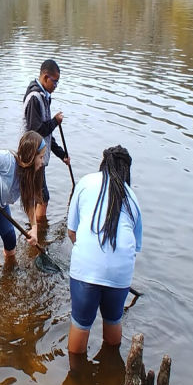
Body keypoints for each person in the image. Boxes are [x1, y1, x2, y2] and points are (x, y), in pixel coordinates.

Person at [66, 145, 142, 353]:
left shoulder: (86, 182)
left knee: (81, 325)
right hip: (120, 274)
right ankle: (111, 366)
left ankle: (76, 378)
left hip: (86, 269)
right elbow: (134, 247)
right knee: (113, 320)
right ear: (127, 171)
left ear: (103, 164)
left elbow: (72, 232)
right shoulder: (132, 198)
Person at [0, 131, 45, 269]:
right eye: (41, 157)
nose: (43, 161)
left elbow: (29, 203)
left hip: (0, 204)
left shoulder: (31, 176)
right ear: (31, 156)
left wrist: (34, 229)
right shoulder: (9, 161)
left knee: (10, 240)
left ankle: (10, 270)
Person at [22, 59, 70, 221]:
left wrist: (61, 154)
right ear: (45, 78)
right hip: (33, 158)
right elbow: (36, 131)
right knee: (43, 199)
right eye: (55, 82)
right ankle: (39, 236)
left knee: (39, 198)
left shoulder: (43, 97)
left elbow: (46, 134)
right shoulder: (35, 97)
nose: (56, 86)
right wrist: (55, 121)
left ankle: (35, 232)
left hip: (39, 157)